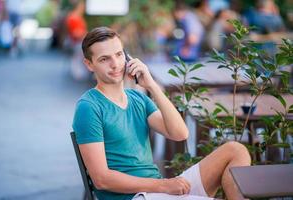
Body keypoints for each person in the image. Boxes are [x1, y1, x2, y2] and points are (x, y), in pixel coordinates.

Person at [72, 26, 251, 200]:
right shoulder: (89, 107)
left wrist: (151, 85)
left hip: (158, 190)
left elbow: (180, 133)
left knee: (236, 150)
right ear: (89, 64)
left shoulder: (137, 99)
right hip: (135, 196)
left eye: (119, 55)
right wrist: (164, 185)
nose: (115, 64)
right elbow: (101, 179)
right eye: (104, 59)